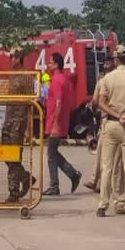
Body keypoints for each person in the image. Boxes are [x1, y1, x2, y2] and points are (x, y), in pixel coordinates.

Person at [96, 44, 125, 218]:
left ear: (116, 59)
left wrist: (115, 114)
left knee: (107, 166)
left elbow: (100, 102)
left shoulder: (107, 79)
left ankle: (102, 205)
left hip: (110, 124)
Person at [42, 52, 81, 196]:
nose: (48, 65)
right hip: (57, 121)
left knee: (51, 154)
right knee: (52, 152)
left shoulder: (57, 80)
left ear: (57, 64)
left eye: (50, 62)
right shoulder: (62, 79)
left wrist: (55, 123)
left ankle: (56, 184)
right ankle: (72, 175)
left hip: (55, 122)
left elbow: (58, 102)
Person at [2, 47, 36, 203]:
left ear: (20, 58)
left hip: (19, 121)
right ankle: (26, 177)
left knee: (14, 155)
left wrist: (29, 129)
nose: (11, 59)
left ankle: (13, 192)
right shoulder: (11, 75)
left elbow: (30, 104)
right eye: (11, 57)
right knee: (5, 154)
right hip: (8, 120)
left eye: (14, 57)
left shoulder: (26, 77)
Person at [83, 55, 121, 194]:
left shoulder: (103, 81)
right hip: (114, 119)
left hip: (107, 119)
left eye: (107, 63)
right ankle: (97, 181)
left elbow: (95, 100)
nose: (106, 65)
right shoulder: (122, 78)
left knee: (105, 154)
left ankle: (99, 183)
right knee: (104, 153)